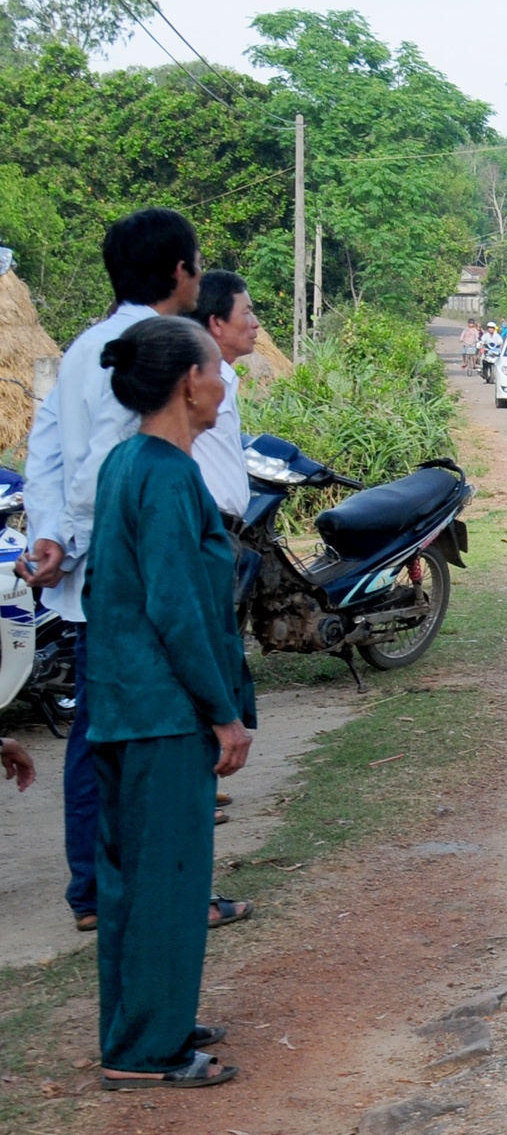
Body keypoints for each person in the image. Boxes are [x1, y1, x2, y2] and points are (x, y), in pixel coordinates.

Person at [19, 209, 200, 934]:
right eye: (194, 263)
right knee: (131, 736)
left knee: (99, 730)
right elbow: (106, 469)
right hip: (128, 578)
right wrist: (75, 535)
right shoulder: (158, 350)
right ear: (180, 271)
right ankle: (115, 885)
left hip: (87, 565)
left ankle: (99, 881)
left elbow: (50, 455)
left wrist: (52, 535)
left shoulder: (83, 347)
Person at [88, 315, 254, 1091]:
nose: (225, 383)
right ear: (190, 382)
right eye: (218, 368)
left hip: (122, 703)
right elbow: (179, 604)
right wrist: (222, 709)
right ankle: (147, 1052)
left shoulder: (125, 463)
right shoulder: (168, 473)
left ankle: (142, 1024)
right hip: (164, 712)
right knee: (170, 881)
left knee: (129, 882)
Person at [189, 271, 260, 521]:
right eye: (246, 312)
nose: (255, 323)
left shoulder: (224, 379)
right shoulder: (197, 382)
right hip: (206, 525)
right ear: (217, 323)